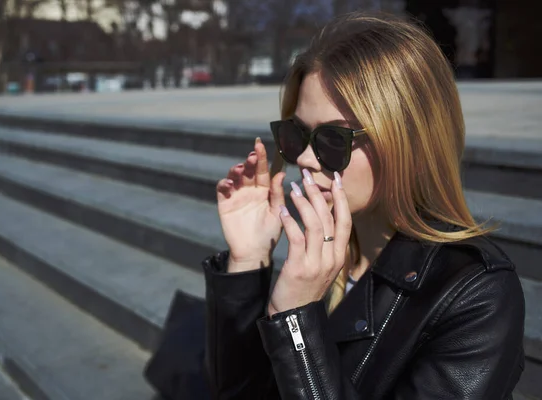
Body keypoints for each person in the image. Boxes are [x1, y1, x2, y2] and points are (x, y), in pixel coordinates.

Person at [201, 12, 525, 400]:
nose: (303, 157)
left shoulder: (476, 294)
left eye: (333, 140)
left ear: (409, 142)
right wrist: (247, 263)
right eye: (295, 134)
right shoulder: (321, 261)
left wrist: (297, 326)